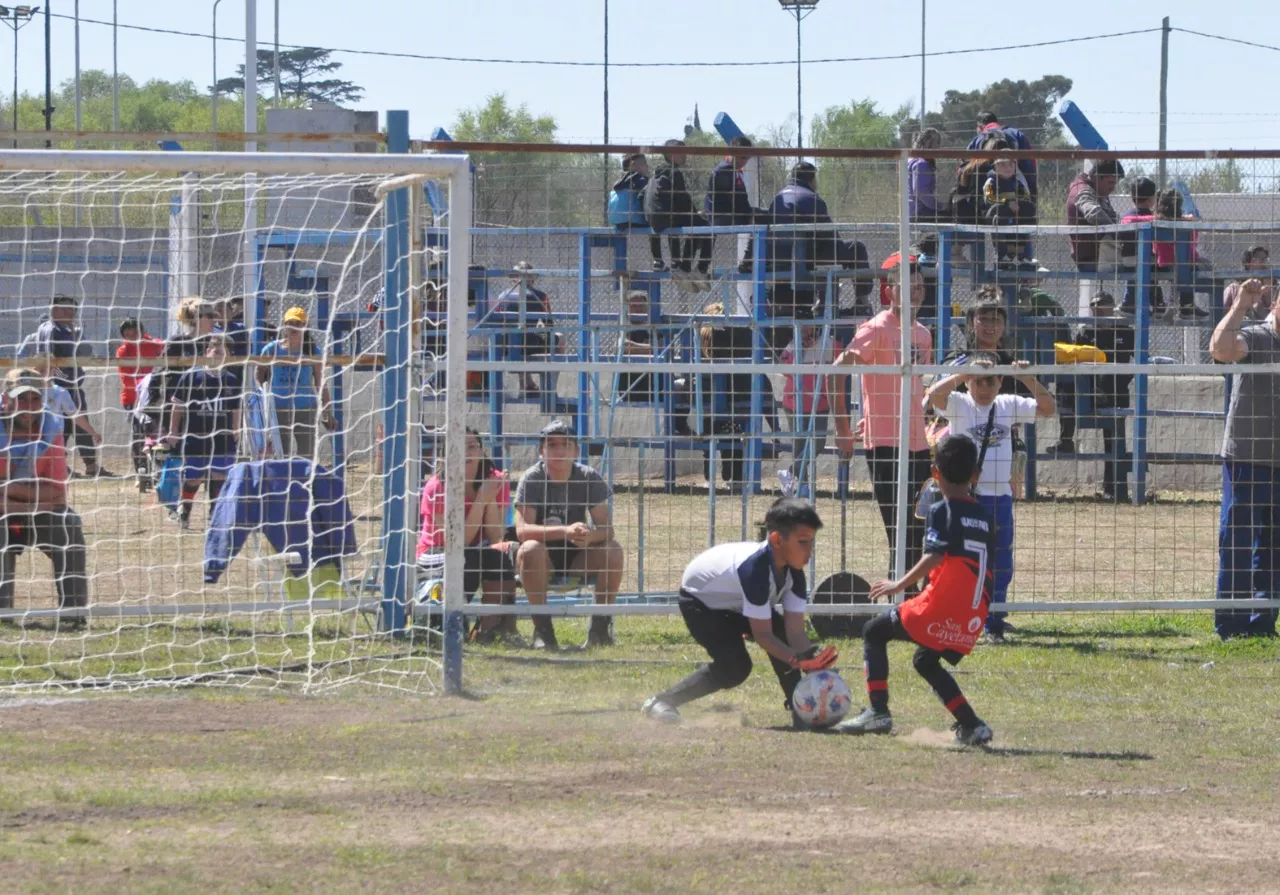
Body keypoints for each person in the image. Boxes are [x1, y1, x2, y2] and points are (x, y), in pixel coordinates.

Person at [835, 435, 994, 744]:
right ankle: (972, 724)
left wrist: (899, 584)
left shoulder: (941, 511)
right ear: (976, 474)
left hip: (940, 606)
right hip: (974, 613)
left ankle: (878, 712)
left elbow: (934, 555)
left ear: (935, 473)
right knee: (925, 660)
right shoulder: (985, 517)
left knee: (873, 631)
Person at [640, 497, 836, 726]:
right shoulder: (755, 569)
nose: (810, 550)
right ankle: (660, 702)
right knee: (735, 667)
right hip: (700, 602)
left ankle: (800, 710)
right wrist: (798, 661)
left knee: (783, 636)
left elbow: (795, 634)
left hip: (735, 604)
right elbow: (763, 636)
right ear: (776, 540)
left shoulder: (794, 572)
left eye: (812, 541)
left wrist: (814, 665)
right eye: (803, 542)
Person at [924, 354, 1056, 641]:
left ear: (1000, 382)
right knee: (964, 561)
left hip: (1000, 497)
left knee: (1001, 560)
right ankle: (960, 616)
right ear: (969, 383)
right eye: (978, 381)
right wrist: (962, 374)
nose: (984, 387)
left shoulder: (1007, 404)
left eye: (991, 381)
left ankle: (993, 618)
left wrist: (1026, 379)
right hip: (967, 498)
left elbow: (1048, 408)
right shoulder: (960, 404)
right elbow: (934, 396)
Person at [832, 259, 932, 580]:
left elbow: (917, 387)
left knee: (919, 527)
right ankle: (899, 599)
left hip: (919, 444)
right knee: (899, 529)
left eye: (919, 287)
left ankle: (908, 598)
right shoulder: (874, 328)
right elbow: (838, 371)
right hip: (887, 445)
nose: (915, 293)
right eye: (908, 287)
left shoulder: (923, 334)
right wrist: (844, 430)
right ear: (890, 291)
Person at [1207, 277, 1279, 639]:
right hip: (1247, 458)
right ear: (1276, 304)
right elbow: (1220, 350)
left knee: (1275, 549)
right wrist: (1239, 307)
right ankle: (1231, 624)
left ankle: (1263, 622)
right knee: (1237, 542)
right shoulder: (1256, 335)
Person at [512, 420, 625, 650]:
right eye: (552, 444)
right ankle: (543, 632)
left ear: (576, 450)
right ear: (541, 450)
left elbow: (607, 529)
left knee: (613, 550)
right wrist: (565, 531)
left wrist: (590, 536)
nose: (559, 450)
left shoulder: (588, 476)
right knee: (530, 549)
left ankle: (600, 629)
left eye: (566, 444)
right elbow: (523, 531)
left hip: (577, 557)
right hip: (541, 559)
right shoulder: (532, 478)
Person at [417, 428, 519, 645]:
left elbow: (494, 536)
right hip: (435, 554)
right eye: (459, 447)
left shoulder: (495, 480)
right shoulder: (437, 486)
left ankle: (489, 629)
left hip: (476, 549)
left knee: (498, 555)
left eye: (472, 447)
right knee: (466, 557)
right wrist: (482, 498)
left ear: (482, 451)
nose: (466, 453)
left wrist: (488, 496)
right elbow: (455, 542)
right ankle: (448, 622)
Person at [0, 370, 89, 617]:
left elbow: (59, 496)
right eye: (21, 399)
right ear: (6, 399)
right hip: (25, 508)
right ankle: (3, 613)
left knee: (69, 524)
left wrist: (8, 490)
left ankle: (73, 612)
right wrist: (31, 497)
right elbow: (48, 493)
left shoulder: (52, 431)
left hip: (36, 509)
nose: (29, 407)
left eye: (35, 399)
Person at [766, 161, 870, 322]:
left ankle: (823, 301)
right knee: (856, 248)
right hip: (806, 256)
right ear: (812, 179)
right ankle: (862, 302)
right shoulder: (811, 198)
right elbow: (829, 234)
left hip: (778, 257)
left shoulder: (777, 198)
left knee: (826, 258)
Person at [29, 295, 115, 478]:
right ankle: (60, 465)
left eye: (73, 310)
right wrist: (61, 380)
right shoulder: (52, 330)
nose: (72, 313)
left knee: (78, 426)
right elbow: (47, 359)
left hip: (70, 386)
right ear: (54, 309)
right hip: (60, 388)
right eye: (67, 309)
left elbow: (84, 351)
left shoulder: (67, 330)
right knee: (60, 427)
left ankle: (90, 466)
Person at [166, 335, 241, 531]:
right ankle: (185, 510)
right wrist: (173, 431)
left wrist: (236, 429)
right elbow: (178, 406)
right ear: (206, 353)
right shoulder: (191, 377)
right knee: (193, 477)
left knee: (219, 476)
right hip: (196, 436)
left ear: (228, 356)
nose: (216, 354)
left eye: (221, 352)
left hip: (222, 437)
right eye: (213, 350)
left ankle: (214, 515)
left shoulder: (231, 380)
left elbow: (235, 409)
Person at [1074, 292, 1137, 501]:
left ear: (1113, 308)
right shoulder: (1085, 332)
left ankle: (1116, 487)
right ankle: (1065, 439)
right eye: (1094, 306)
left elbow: (1138, 360)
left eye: (1102, 306)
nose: (1097, 310)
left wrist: (1124, 379)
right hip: (1091, 393)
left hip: (1117, 391)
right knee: (1104, 437)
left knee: (1115, 440)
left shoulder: (1126, 331)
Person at [257, 307, 333, 460]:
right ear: (284, 326)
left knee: (307, 453)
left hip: (305, 407)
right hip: (278, 408)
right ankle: (284, 482)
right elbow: (259, 373)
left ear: (305, 326)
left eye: (298, 323)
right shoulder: (271, 349)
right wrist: (262, 396)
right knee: (280, 453)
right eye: (290, 323)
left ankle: (303, 483)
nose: (294, 327)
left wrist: (328, 412)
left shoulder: (313, 351)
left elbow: (320, 382)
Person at [644, 138, 712, 290]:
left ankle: (682, 265)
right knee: (706, 228)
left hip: (656, 219)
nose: (686, 155)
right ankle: (699, 269)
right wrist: (696, 214)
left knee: (696, 224)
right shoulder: (674, 172)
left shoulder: (657, 173)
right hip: (667, 217)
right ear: (672, 154)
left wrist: (693, 214)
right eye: (682, 152)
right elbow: (684, 199)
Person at [778, 324, 837, 495]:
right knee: (799, 445)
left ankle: (789, 471)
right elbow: (785, 369)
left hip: (819, 403)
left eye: (807, 329)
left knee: (818, 442)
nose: (804, 333)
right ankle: (802, 484)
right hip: (795, 403)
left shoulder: (829, 344)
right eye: (801, 330)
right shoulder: (792, 345)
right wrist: (800, 352)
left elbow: (841, 364)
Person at [490, 261, 561, 397]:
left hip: (506, 346)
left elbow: (496, 322)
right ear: (532, 278)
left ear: (513, 277)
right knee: (559, 339)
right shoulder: (541, 296)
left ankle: (526, 384)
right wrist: (538, 326)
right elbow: (549, 325)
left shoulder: (502, 296)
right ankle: (550, 389)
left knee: (517, 337)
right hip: (532, 344)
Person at [115, 318, 166, 485]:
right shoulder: (123, 351)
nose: (131, 337)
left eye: (134, 333)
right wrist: (143, 389)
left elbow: (166, 355)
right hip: (133, 397)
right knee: (138, 432)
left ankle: (159, 468)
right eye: (127, 335)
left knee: (156, 432)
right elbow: (126, 378)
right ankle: (141, 470)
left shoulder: (155, 345)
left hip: (155, 397)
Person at [705, 135, 766, 274]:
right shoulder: (725, 170)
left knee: (762, 215)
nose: (744, 162)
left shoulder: (732, 170)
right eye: (743, 158)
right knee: (764, 218)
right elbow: (736, 200)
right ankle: (748, 261)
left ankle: (749, 261)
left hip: (727, 214)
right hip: (723, 216)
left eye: (747, 159)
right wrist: (751, 212)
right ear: (732, 153)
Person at [1154, 188, 1210, 319]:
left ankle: (1174, 303)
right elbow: (1194, 242)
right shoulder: (1186, 223)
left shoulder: (1156, 222)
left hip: (1164, 262)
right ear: (1179, 205)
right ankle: (1186, 306)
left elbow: (1155, 248)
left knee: (1180, 272)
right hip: (1185, 262)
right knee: (1192, 268)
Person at [610, 152, 665, 272]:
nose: (647, 167)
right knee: (655, 227)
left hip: (620, 222)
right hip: (636, 219)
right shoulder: (641, 179)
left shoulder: (620, 180)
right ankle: (658, 260)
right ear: (634, 166)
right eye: (644, 164)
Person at [1066, 160, 1125, 271]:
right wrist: (1118, 233)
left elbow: (1112, 216)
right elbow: (1093, 213)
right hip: (1091, 258)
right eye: (1110, 183)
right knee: (1139, 268)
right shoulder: (1083, 190)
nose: (1113, 188)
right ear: (1097, 177)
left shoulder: (1097, 191)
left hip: (1100, 255)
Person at [1118, 176, 1165, 314]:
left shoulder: (1126, 217)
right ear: (1151, 200)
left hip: (1127, 261)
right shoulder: (1155, 219)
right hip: (1148, 261)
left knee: (1138, 273)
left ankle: (1130, 303)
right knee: (1151, 268)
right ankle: (1159, 304)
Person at [967, 110, 1037, 199]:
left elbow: (965, 165)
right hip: (1015, 188)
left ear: (979, 127)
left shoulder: (977, 139)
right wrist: (1033, 194)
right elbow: (1030, 164)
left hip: (986, 192)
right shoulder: (1016, 134)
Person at [982, 153, 1036, 267]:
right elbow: (989, 198)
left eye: (1011, 165)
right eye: (1003, 165)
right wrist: (1007, 203)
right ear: (995, 167)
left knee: (1030, 209)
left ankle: (1022, 255)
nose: (1008, 168)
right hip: (997, 214)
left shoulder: (1017, 182)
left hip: (1015, 213)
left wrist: (1018, 203)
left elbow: (1026, 196)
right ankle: (1002, 255)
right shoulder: (991, 182)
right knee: (999, 212)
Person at [1222, 246, 1273, 320]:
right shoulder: (1233, 289)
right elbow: (1220, 314)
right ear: (1250, 263)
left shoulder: (1270, 286)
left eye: (1266, 260)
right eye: (1262, 260)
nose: (1265, 264)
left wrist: (1268, 290)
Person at [908, 128, 946, 224]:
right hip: (919, 211)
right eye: (937, 142)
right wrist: (938, 206)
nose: (939, 147)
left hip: (910, 210)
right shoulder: (922, 164)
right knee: (950, 216)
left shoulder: (911, 160)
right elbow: (920, 192)